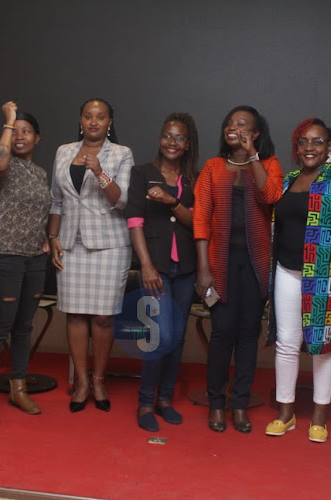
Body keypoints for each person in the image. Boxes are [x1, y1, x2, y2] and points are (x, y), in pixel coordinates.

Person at [265, 118, 331, 443]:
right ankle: (286, 414)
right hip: (286, 271)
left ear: (330, 147)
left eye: (318, 142)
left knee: (323, 347)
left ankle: (319, 418)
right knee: (287, 344)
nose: (310, 147)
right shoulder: (290, 179)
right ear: (296, 147)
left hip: (325, 274)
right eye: (304, 141)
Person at [194, 105, 284, 433]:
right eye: (230, 123)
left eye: (243, 125)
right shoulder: (213, 167)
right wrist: (204, 270)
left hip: (256, 267)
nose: (234, 128)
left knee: (248, 335)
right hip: (220, 264)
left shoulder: (270, 164)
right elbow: (201, 218)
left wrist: (253, 156)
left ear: (256, 133)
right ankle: (217, 403)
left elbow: (271, 195)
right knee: (221, 333)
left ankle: (241, 404)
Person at [47, 97, 134, 413]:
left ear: (110, 121)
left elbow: (121, 201)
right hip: (71, 242)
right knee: (75, 314)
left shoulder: (121, 154)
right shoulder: (64, 151)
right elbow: (57, 201)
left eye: (101, 117)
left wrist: (100, 172)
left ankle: (99, 379)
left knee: (101, 316)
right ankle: (81, 381)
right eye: (88, 116)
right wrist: (53, 237)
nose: (94, 121)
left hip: (109, 245)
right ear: (80, 120)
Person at [0, 102, 51, 427]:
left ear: (37, 138)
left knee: (24, 327)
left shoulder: (41, 172)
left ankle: (18, 387)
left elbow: (41, 211)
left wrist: (46, 238)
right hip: (4, 254)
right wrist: (7, 120)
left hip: (35, 257)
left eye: (25, 131)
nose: (19, 136)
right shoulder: (0, 166)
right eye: (14, 130)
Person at [126, 112, 200, 432]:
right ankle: (145, 403)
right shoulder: (141, 173)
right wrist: (146, 265)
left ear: (187, 145)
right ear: (160, 139)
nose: (172, 142)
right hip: (154, 267)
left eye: (179, 138)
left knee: (179, 336)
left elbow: (196, 224)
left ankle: (165, 399)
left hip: (184, 269)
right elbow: (134, 223)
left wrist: (172, 202)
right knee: (158, 336)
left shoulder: (195, 180)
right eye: (168, 136)